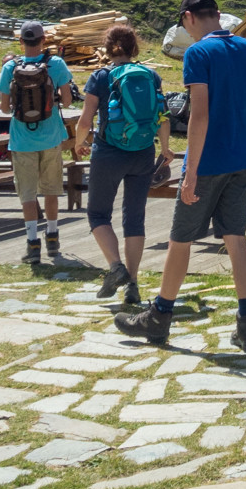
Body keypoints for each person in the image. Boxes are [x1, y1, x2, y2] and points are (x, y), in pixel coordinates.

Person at [116, 0, 246, 352]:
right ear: (215, 14)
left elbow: (199, 116)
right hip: (240, 159)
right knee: (236, 238)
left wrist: (190, 171)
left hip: (208, 162)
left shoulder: (197, 53)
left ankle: (159, 316)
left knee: (180, 240)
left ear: (188, 18)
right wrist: (238, 139)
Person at [75, 23, 169, 305]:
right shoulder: (150, 75)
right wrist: (165, 148)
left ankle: (116, 267)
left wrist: (79, 142)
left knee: (98, 215)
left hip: (108, 153)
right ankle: (134, 285)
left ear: (106, 48)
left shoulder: (100, 77)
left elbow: (85, 120)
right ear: (134, 47)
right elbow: (162, 116)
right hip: (142, 153)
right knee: (134, 218)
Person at [0, 22, 76, 264]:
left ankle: (32, 244)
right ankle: (52, 236)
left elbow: (6, 107)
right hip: (50, 136)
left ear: (21, 42)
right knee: (51, 189)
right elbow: (68, 102)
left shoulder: (10, 66)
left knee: (27, 193)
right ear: (44, 39)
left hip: (21, 139)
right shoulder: (56, 64)